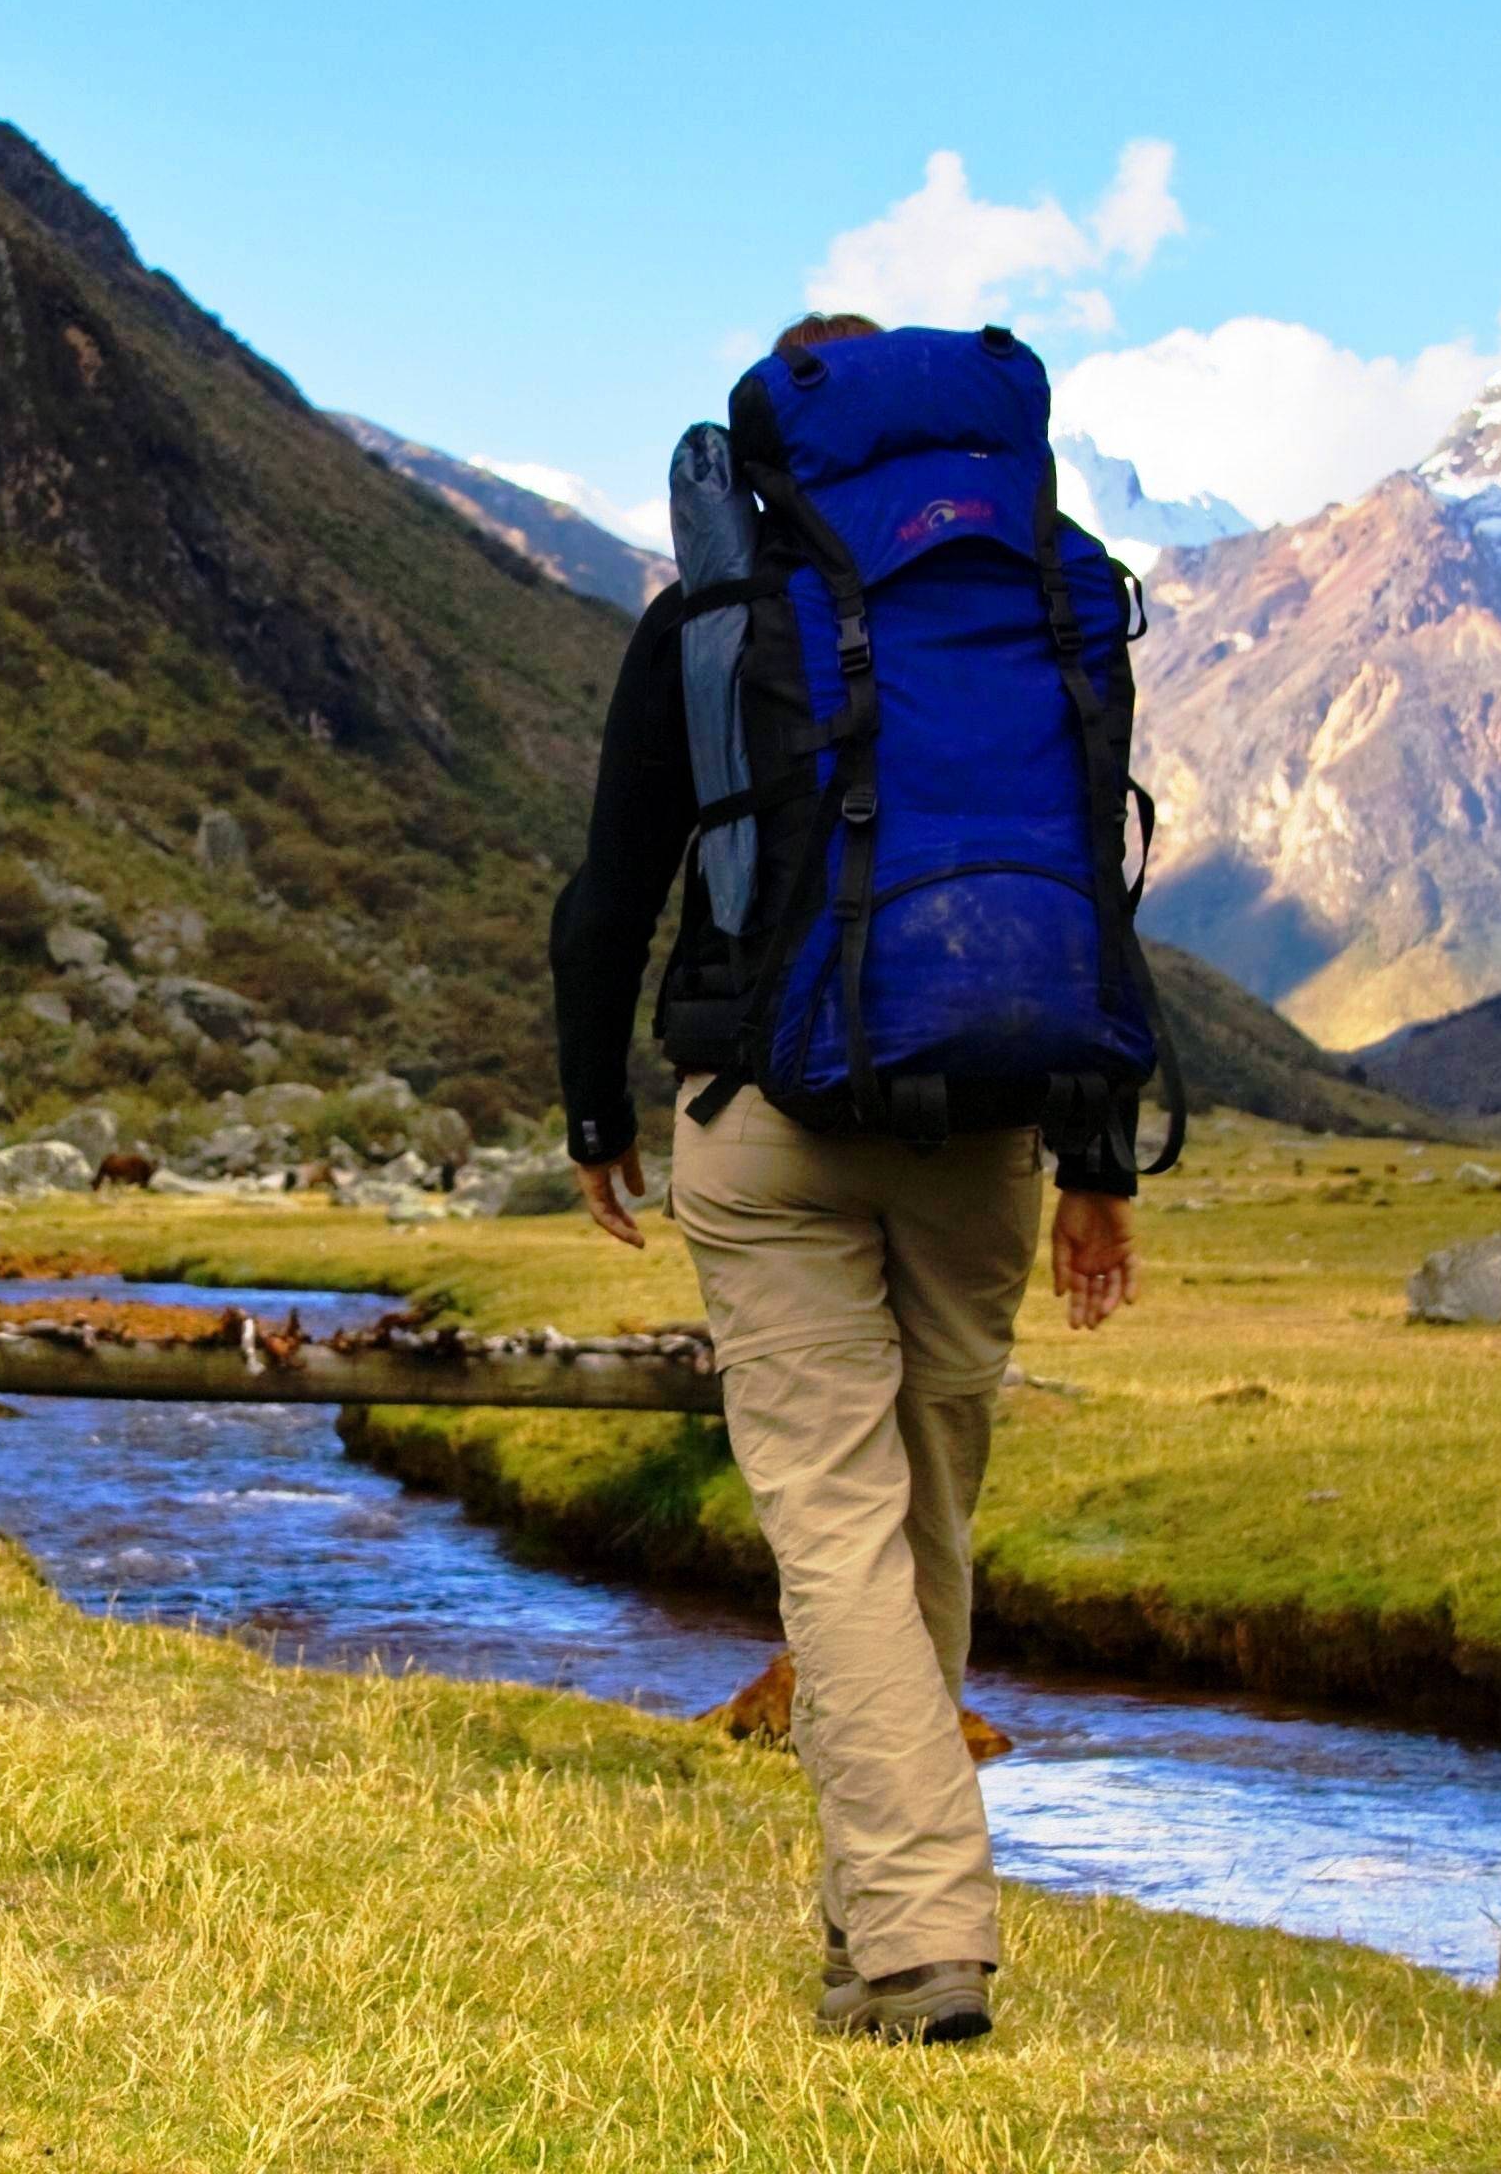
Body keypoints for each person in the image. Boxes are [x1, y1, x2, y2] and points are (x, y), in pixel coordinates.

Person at [550, 311, 1143, 2046]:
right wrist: (1099, 1158)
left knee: (834, 1531)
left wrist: (598, 1115)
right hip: (993, 1125)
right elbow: (1090, 885)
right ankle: (883, 1920)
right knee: (926, 1521)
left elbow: (609, 899)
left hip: (770, 1120)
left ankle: (916, 1941)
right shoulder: (1038, 600)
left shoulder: (716, 622)